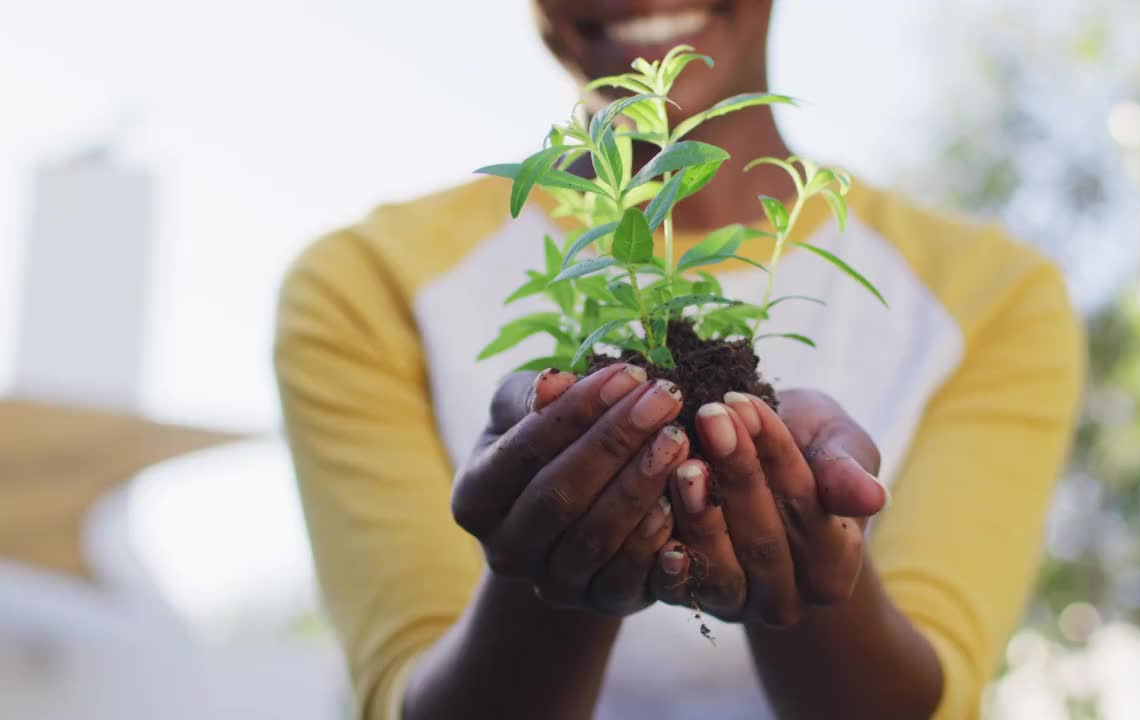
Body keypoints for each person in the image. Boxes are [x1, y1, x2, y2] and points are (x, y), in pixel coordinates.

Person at [275, 2, 1084, 718]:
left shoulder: (989, 298)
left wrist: (810, 584)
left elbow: (935, 694)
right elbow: (402, 690)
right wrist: (551, 569)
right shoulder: (365, 288)